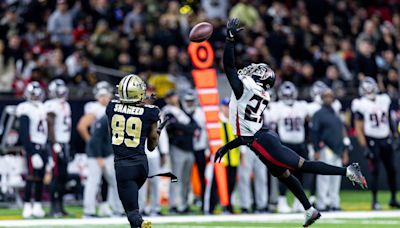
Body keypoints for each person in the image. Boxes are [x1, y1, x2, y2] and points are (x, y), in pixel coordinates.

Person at [215, 18, 367, 227]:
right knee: (283, 175)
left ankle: (348, 171)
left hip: (261, 140)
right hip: (260, 137)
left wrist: (230, 39)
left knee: (301, 166)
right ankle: (310, 210)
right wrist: (227, 146)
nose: (252, 70)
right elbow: (244, 134)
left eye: (258, 71)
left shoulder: (246, 89)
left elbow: (229, 66)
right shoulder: (259, 93)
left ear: (261, 80)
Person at [105, 74, 161, 228]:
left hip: (124, 166)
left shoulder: (111, 107)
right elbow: (152, 145)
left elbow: (112, 135)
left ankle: (141, 224)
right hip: (142, 165)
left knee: (133, 214)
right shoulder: (151, 112)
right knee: (134, 204)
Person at [351, 77, 400, 210]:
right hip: (372, 140)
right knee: (375, 172)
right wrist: (364, 146)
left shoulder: (384, 99)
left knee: (392, 170)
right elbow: (358, 127)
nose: (368, 91)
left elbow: (390, 119)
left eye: (370, 88)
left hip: (385, 138)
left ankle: (393, 199)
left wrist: (395, 136)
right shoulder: (360, 103)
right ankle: (374, 201)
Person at [78, 81, 117, 217]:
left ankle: (105, 206)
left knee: (109, 180)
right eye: (101, 95)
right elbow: (82, 127)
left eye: (106, 95)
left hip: (108, 149)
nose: (104, 98)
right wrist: (92, 145)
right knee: (93, 182)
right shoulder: (93, 108)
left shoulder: (112, 108)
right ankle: (88, 210)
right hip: (97, 152)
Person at [271, 81, 309, 213]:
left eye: (289, 95)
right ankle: (281, 201)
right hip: (285, 144)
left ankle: (298, 202)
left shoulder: (301, 106)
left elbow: (309, 117)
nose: (288, 97)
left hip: (300, 144)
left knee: (300, 174)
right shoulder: (277, 107)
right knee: (284, 173)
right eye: (285, 95)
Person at [312, 88, 351, 211]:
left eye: (330, 96)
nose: (328, 98)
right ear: (322, 98)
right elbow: (314, 132)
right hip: (326, 148)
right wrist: (316, 149)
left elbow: (342, 132)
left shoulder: (336, 113)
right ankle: (322, 204)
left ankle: (335, 203)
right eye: (326, 96)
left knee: (336, 178)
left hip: (338, 149)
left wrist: (345, 150)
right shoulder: (318, 114)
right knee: (324, 177)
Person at [162, 90, 198, 214]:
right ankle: (174, 205)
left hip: (189, 147)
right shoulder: (167, 110)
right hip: (177, 147)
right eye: (170, 97)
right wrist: (187, 129)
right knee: (176, 178)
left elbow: (195, 126)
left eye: (173, 95)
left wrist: (185, 129)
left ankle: (183, 205)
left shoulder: (182, 110)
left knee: (186, 179)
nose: (173, 98)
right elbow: (173, 126)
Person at [16, 82, 48, 218]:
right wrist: (32, 152)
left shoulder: (42, 107)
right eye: (33, 94)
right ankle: (27, 205)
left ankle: (38, 205)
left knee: (40, 177)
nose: (36, 96)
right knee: (30, 177)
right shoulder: (25, 108)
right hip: (32, 145)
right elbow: (24, 133)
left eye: (37, 93)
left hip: (42, 145)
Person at [44, 79, 71, 217]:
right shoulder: (51, 104)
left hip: (65, 143)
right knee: (55, 175)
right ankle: (53, 207)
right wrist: (54, 143)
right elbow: (50, 125)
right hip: (56, 144)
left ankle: (60, 205)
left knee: (63, 176)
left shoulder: (65, 104)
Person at [181, 89, 208, 212]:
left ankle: (203, 201)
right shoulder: (182, 113)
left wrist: (207, 147)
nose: (189, 103)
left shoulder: (201, 113)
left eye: (191, 101)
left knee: (203, 177)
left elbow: (207, 131)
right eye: (188, 101)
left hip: (200, 148)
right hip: (187, 148)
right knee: (185, 177)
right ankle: (184, 202)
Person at [219, 98, 241, 213]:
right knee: (220, 184)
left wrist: (242, 154)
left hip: (233, 158)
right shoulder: (218, 121)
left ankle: (229, 205)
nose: (227, 109)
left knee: (231, 184)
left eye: (229, 106)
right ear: (221, 107)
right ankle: (220, 205)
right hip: (221, 160)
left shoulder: (235, 121)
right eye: (225, 106)